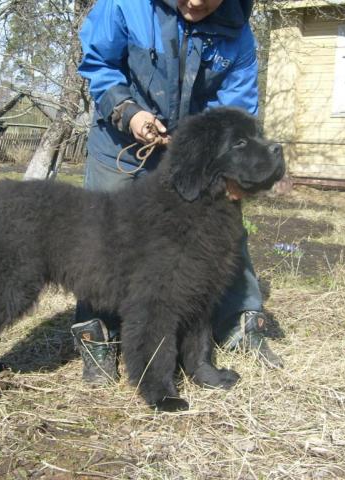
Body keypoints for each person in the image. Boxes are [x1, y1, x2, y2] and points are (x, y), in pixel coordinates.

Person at [70, 0, 283, 385]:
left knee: (222, 233)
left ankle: (237, 322)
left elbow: (236, 109)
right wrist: (127, 110)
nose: (197, 2)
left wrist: (232, 170)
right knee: (103, 235)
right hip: (121, 138)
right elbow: (99, 63)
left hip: (194, 153)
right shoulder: (124, 5)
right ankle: (97, 332)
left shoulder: (238, 30)